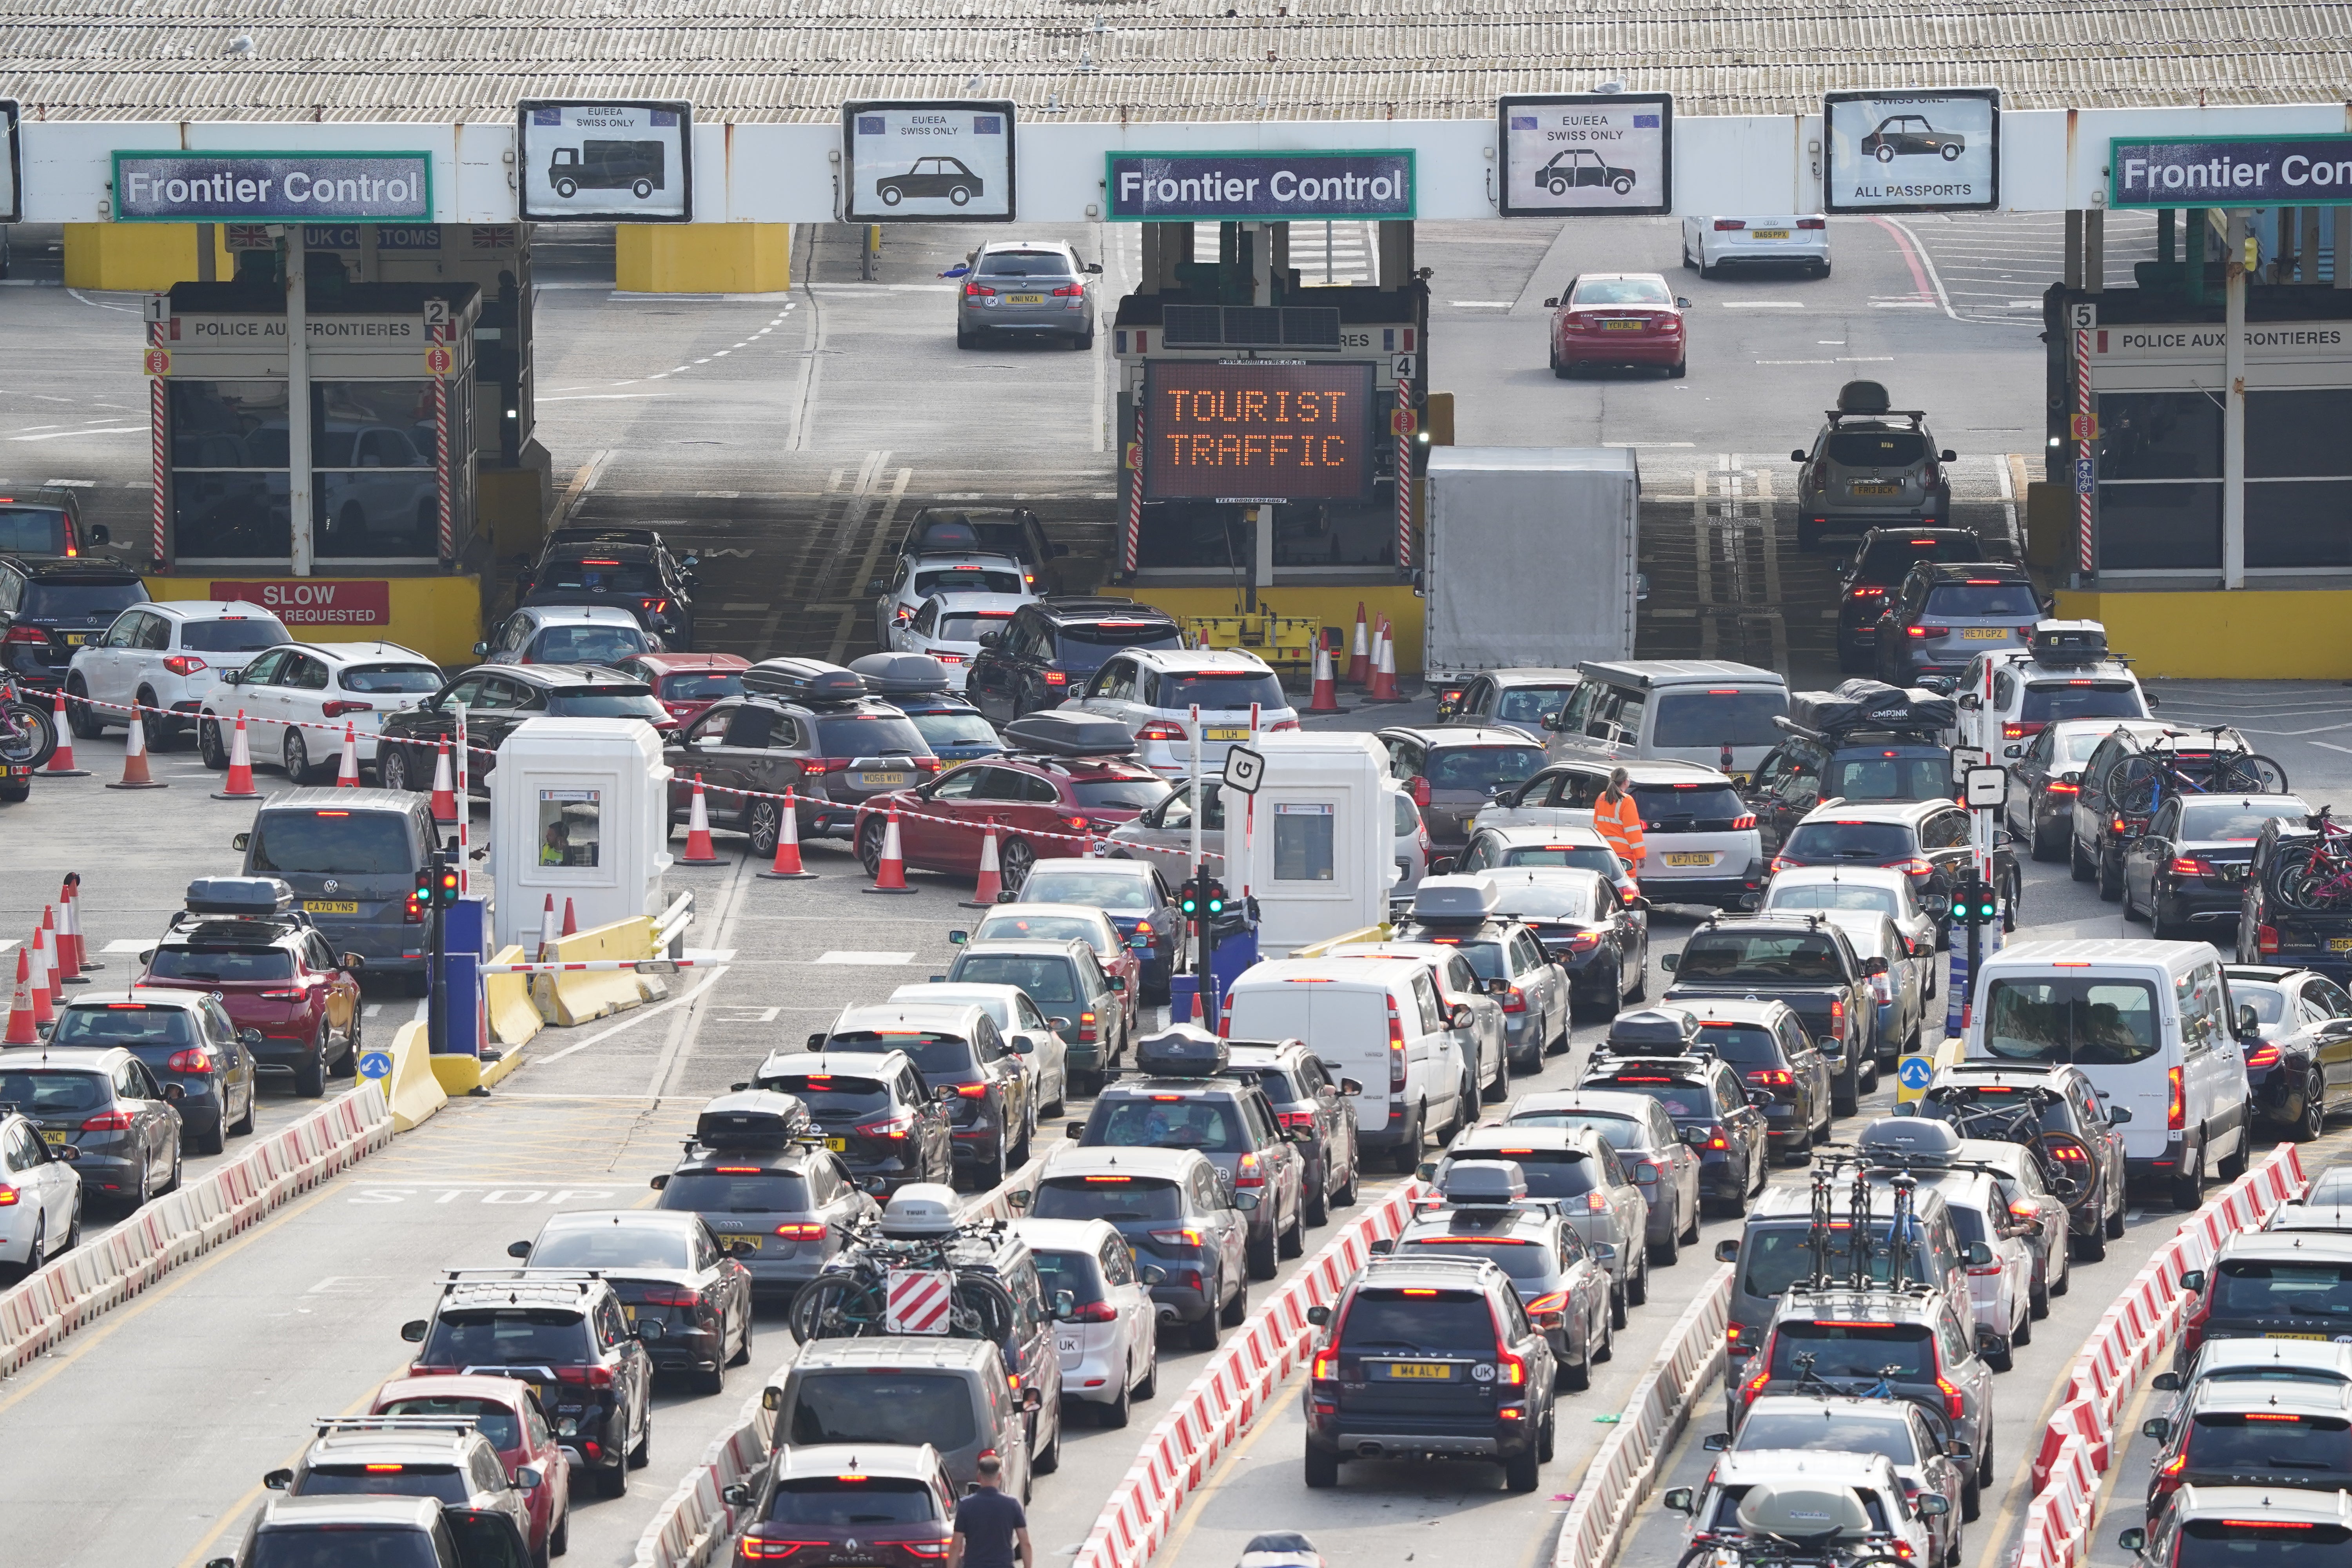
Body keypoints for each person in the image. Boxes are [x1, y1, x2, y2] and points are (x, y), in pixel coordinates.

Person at [947, 1454, 1031, 1568]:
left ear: (979, 1477)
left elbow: (956, 1545)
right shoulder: (1012, 1505)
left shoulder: (966, 1505)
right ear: (1000, 1476)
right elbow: (1025, 1543)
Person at [1593, 767, 1646, 884]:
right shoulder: (1627, 801)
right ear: (1626, 782)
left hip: (1605, 850)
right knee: (1626, 885)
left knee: (1606, 884)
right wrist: (1641, 855)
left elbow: (1596, 825)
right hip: (1623, 852)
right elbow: (1633, 831)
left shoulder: (1601, 797)